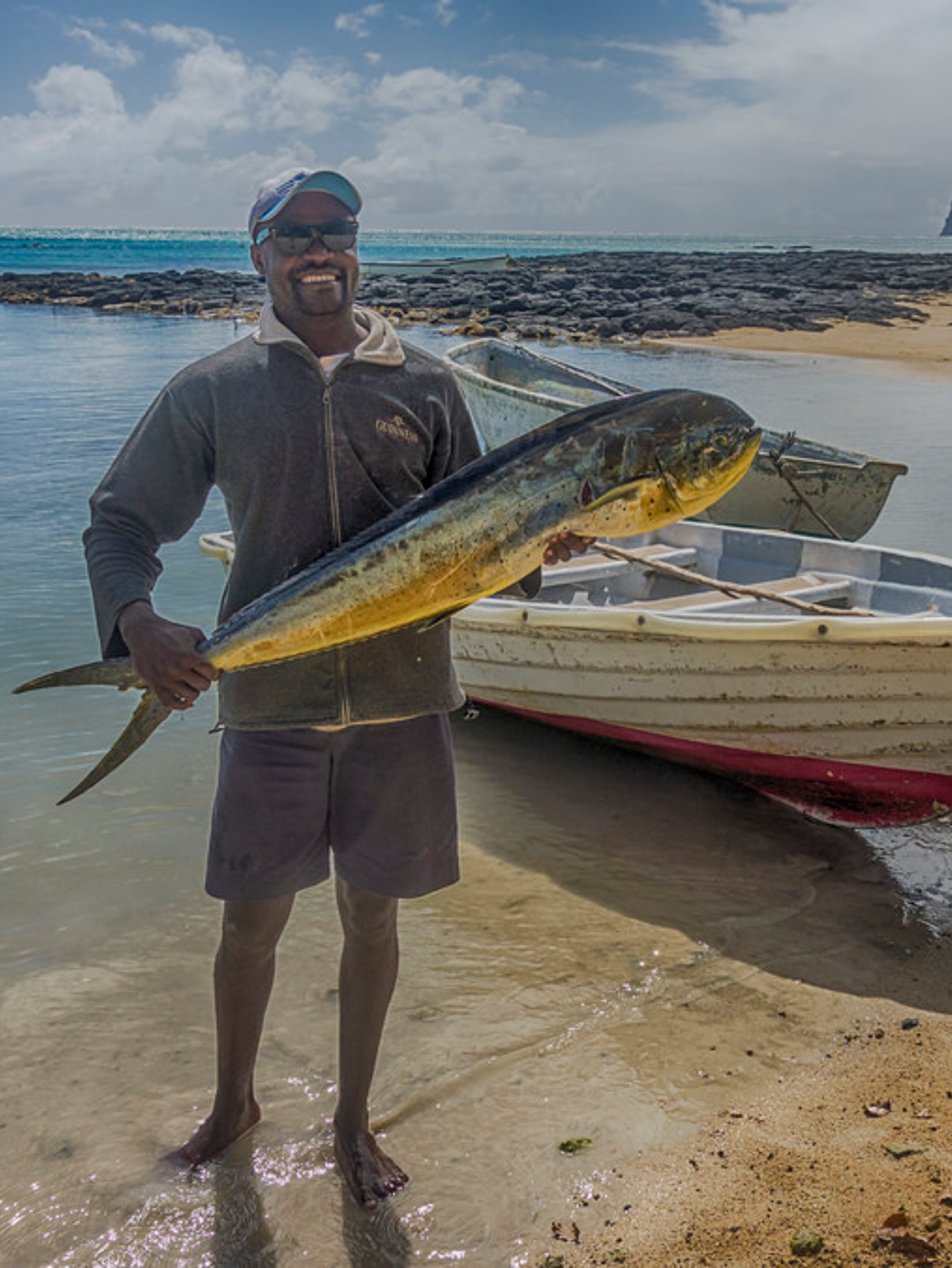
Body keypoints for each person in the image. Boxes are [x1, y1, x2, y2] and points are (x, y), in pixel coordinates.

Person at [81, 166, 580, 1207]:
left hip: (407, 706)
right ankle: (234, 1103)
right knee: (248, 925)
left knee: (375, 922)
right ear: (257, 253)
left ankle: (353, 1118)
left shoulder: (430, 385)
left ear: (358, 245)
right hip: (269, 707)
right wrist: (137, 622)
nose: (319, 249)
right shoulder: (210, 389)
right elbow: (121, 520)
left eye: (336, 229)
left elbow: (487, 542)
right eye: (293, 232)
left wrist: (550, 543)